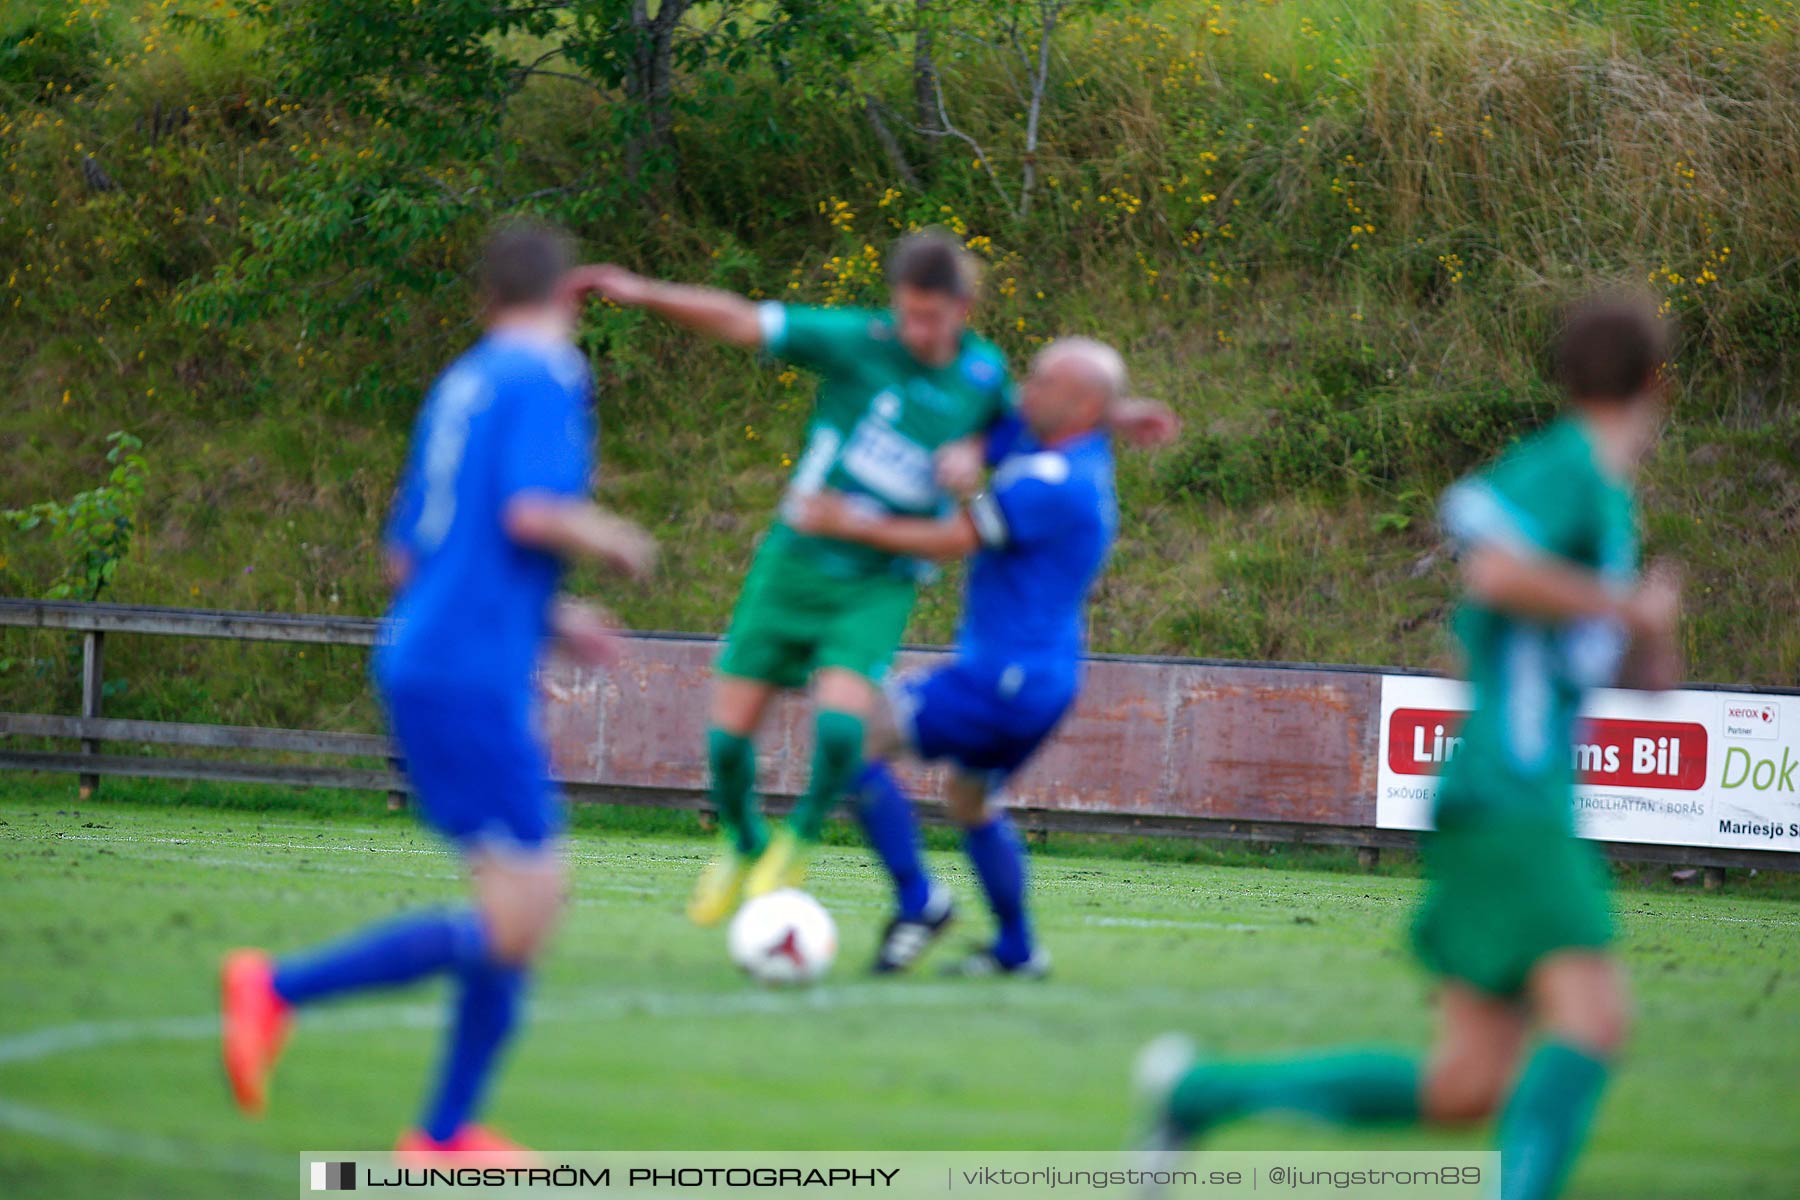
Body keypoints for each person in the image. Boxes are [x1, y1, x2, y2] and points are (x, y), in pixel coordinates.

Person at [1133, 295, 1681, 1200]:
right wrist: (1625, 608)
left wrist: (1648, 629)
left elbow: (1595, 658)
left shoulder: (1603, 500)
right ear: (1658, 381)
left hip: (1511, 795)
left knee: (1465, 1088)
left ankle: (1200, 1093)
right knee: (1594, 1026)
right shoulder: (1571, 468)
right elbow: (1495, 571)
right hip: (1511, 796)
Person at [220, 221, 654, 1160]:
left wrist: (551, 619)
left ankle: (444, 1135)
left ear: (483, 299)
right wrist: (614, 536)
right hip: (463, 672)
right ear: (571, 296)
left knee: (519, 904)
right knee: (524, 909)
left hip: (432, 653)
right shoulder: (543, 375)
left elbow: (406, 557)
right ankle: (277, 991)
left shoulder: (459, 386)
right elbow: (531, 511)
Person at [565, 232, 1017, 924]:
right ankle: (744, 841)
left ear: (963, 307)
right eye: (906, 313)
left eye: (930, 317)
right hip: (794, 563)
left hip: (878, 580)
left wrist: (975, 449)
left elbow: (1019, 431)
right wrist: (646, 292)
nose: (915, 330)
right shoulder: (856, 341)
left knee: (842, 729)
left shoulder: (984, 375)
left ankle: (797, 841)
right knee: (725, 743)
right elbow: (742, 320)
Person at [792, 337, 1176, 976]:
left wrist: (847, 521)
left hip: (1004, 680)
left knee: (850, 736)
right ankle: (1018, 951)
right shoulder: (1057, 442)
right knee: (970, 802)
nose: (1027, 388)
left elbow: (950, 538)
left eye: (1043, 380)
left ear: (1080, 402)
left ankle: (920, 900)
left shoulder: (1060, 484)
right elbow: (1006, 426)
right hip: (1042, 681)